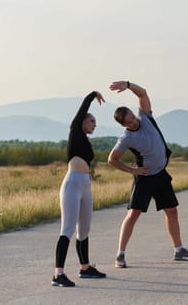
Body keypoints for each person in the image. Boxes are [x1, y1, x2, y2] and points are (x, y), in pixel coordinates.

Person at [108, 80, 188, 268]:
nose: (133, 121)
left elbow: (143, 94)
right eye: (129, 121)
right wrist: (133, 170)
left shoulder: (145, 117)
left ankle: (179, 250)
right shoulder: (126, 138)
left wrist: (127, 84)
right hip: (145, 178)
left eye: (133, 117)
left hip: (161, 175)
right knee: (133, 214)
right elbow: (112, 159)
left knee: (172, 211)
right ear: (123, 124)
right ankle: (120, 254)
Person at [51, 91, 107, 287]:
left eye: (95, 123)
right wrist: (93, 95)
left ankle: (85, 268)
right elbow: (82, 109)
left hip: (85, 185)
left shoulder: (84, 139)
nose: (94, 124)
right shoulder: (75, 130)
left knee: (84, 229)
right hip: (72, 184)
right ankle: (58, 274)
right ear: (82, 121)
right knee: (67, 229)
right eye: (91, 121)